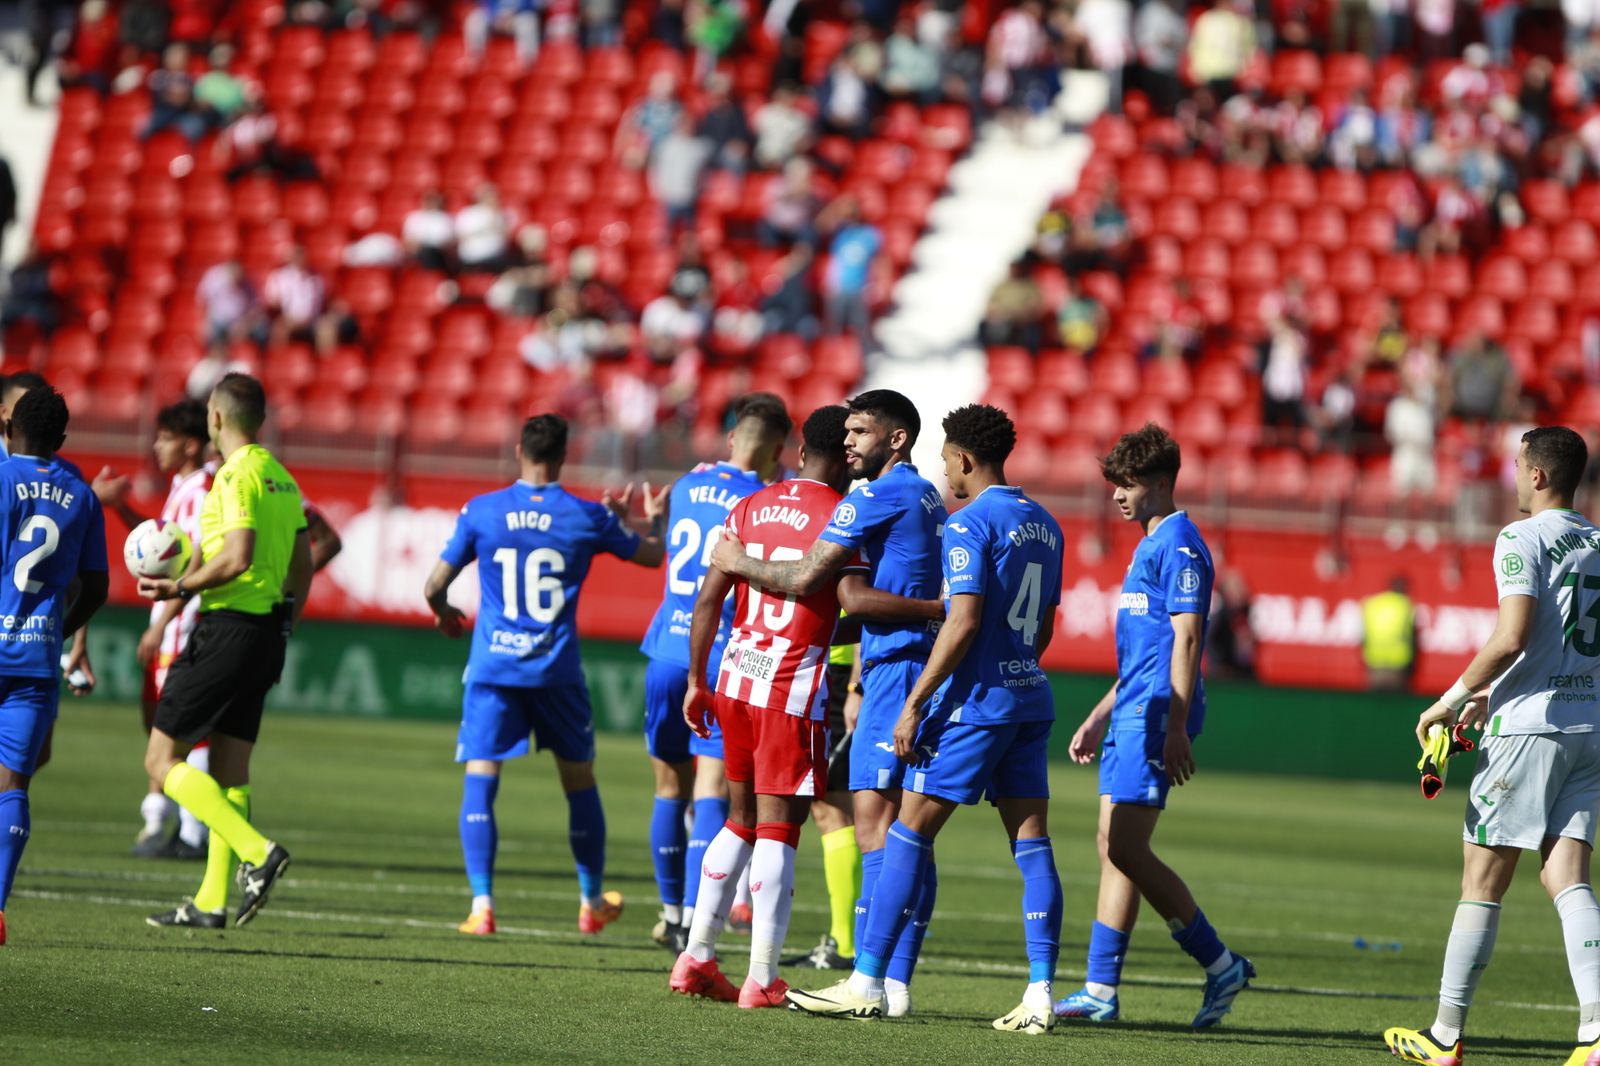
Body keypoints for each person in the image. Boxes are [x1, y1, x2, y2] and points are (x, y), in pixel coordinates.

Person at [785, 403, 1065, 1033]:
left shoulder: (968, 525)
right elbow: (1045, 623)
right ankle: (1041, 992)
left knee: (906, 833)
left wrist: (916, 705)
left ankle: (869, 980)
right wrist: (1015, 665)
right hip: (1029, 698)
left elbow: (960, 621)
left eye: (947, 461)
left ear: (964, 458)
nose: (945, 474)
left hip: (976, 703)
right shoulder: (1048, 525)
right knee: (1032, 845)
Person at [711, 389, 947, 1016]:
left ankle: (867, 980)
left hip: (893, 671)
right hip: (911, 667)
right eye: (845, 432)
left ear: (896, 439)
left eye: (862, 431)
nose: (850, 442)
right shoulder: (923, 490)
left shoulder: (871, 495)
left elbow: (809, 581)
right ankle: (893, 982)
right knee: (908, 830)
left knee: (875, 827)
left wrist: (738, 558)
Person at [1385, 427, 1600, 1066]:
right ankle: (1594, 1035)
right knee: (1569, 878)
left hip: (1530, 731)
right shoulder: (1596, 541)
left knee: (1482, 880)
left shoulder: (1521, 537)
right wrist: (1494, 696)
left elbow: (1511, 636)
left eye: (1516, 466)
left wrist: (1450, 700)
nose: (1512, 476)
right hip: (1587, 726)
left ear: (1536, 476)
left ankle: (1445, 1036)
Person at [424, 414, 669, 936]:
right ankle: (590, 902)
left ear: (519, 450)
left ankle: (482, 906)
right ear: (562, 456)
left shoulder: (482, 511)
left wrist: (444, 614)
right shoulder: (586, 516)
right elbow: (652, 558)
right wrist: (650, 521)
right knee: (578, 782)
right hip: (556, 670)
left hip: (494, 667)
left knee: (482, 777)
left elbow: (433, 585)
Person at [1055, 423, 1255, 1029]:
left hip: (1155, 717)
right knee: (1112, 847)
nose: (1117, 493)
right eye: (1115, 482)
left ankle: (1219, 963)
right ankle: (1099, 989)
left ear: (1162, 483)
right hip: (1135, 709)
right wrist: (1096, 716)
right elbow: (1146, 653)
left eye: (1129, 483)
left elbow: (1190, 638)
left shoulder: (1182, 545)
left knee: (1125, 846)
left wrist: (1174, 726)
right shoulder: (1148, 544)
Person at [669, 404, 865, 1005]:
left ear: (801, 451)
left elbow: (709, 601)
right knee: (780, 828)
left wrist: (697, 678)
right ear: (849, 460)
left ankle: (696, 956)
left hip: (734, 675)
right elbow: (854, 605)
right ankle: (763, 976)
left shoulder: (751, 505)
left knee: (740, 818)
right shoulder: (845, 515)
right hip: (792, 686)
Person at [140, 375, 313, 930]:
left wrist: (180, 588)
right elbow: (304, 561)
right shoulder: (282, 478)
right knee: (229, 771)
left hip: (226, 629)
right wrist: (286, 619)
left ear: (215, 419)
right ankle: (212, 900)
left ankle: (257, 851)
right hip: (265, 632)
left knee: (161, 761)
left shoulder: (234, 476)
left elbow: (237, 556)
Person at [639, 396, 792, 951]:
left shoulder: (684, 485)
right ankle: (699, 918)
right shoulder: (766, 501)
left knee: (666, 786)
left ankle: (671, 913)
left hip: (664, 651)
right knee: (711, 789)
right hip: (722, 656)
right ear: (777, 450)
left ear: (731, 438)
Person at [0, 386, 111, 946]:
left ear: (8, 426)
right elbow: (97, 588)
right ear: (61, 439)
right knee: (13, 784)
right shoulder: (81, 495)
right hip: (36, 659)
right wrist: (57, 633)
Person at [92, 400, 214, 859]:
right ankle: (165, 823)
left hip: (183, 623)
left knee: (182, 729)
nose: (156, 446)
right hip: (170, 621)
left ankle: (191, 831)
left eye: (165, 438)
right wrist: (122, 506)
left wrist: (160, 625)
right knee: (160, 725)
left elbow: (197, 558)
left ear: (189, 443)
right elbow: (164, 547)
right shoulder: (182, 487)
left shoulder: (201, 490)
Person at [1362, 575, 1416, 692]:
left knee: (1373, 705)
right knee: (1396, 706)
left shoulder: (1372, 604)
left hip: (1374, 663)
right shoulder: (1405, 605)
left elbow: (1363, 635)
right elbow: (1411, 637)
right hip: (1397, 665)